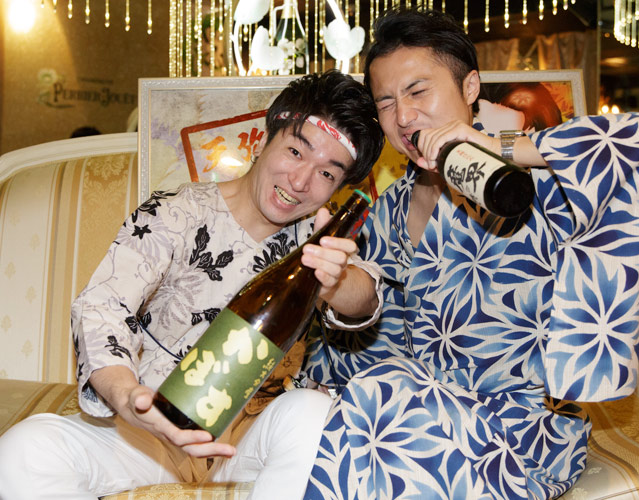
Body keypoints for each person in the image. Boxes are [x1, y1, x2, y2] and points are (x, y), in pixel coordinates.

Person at [303, 9, 639, 500]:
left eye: (418, 91)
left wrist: (492, 143)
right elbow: (373, 320)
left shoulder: (530, 182)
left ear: (471, 87)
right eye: (386, 102)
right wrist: (333, 286)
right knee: (341, 412)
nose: (404, 117)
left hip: (520, 435)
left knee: (385, 403)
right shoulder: (388, 207)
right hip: (410, 415)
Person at [0, 70, 384, 500]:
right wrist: (129, 398)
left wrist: (333, 280)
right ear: (264, 139)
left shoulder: (320, 243)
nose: (300, 182)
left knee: (313, 412)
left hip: (252, 438)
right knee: (24, 450)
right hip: (153, 428)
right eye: (295, 151)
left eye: (327, 174)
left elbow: (366, 297)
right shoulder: (176, 213)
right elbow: (104, 305)